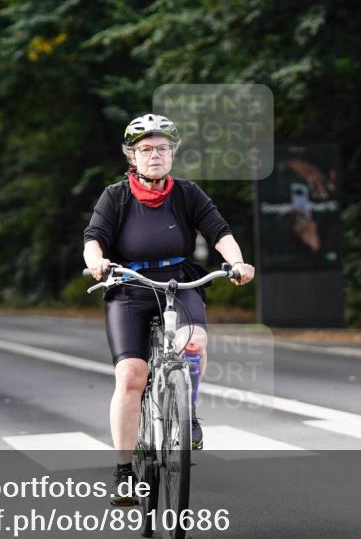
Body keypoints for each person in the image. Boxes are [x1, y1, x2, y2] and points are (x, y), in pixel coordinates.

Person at [83, 113, 255, 506]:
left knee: (193, 343)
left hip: (179, 280)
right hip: (129, 285)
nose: (155, 155)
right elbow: (94, 239)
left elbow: (219, 231)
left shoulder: (188, 193)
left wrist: (238, 262)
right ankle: (124, 472)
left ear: (173, 153)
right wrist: (97, 261)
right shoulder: (115, 196)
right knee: (131, 375)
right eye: (146, 149)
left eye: (163, 148)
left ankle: (186, 412)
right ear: (133, 157)